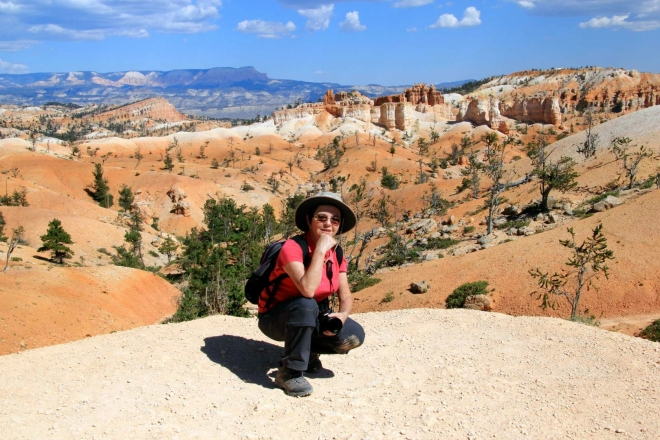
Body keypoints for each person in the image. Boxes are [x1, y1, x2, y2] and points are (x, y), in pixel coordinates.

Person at [258, 192, 365, 397]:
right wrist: (320, 250)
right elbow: (307, 289)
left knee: (353, 337)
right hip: (275, 319)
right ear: (309, 220)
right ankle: (289, 372)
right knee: (306, 304)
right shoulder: (293, 247)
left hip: (307, 315)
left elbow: (345, 296)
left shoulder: (337, 253)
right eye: (321, 217)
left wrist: (342, 316)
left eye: (335, 219)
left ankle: (307, 354)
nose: (328, 223)